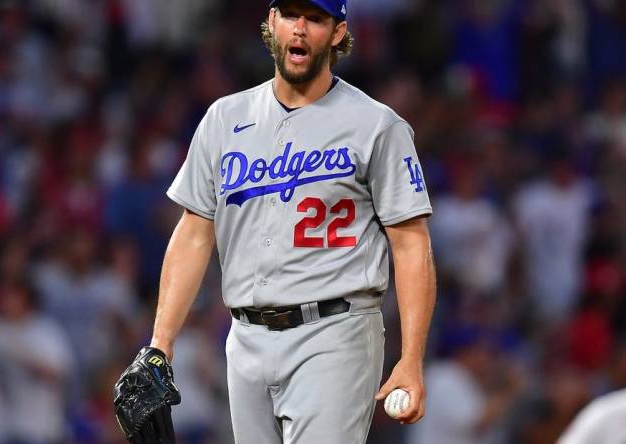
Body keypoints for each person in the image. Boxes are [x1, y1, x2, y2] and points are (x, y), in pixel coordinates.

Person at [118, 0, 437, 442]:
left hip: (335, 332)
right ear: (271, 23)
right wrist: (160, 344)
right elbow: (193, 233)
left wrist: (411, 356)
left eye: (316, 18)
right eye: (290, 14)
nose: (300, 29)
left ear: (339, 33)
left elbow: (411, 244)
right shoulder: (223, 120)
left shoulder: (377, 125)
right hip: (245, 338)